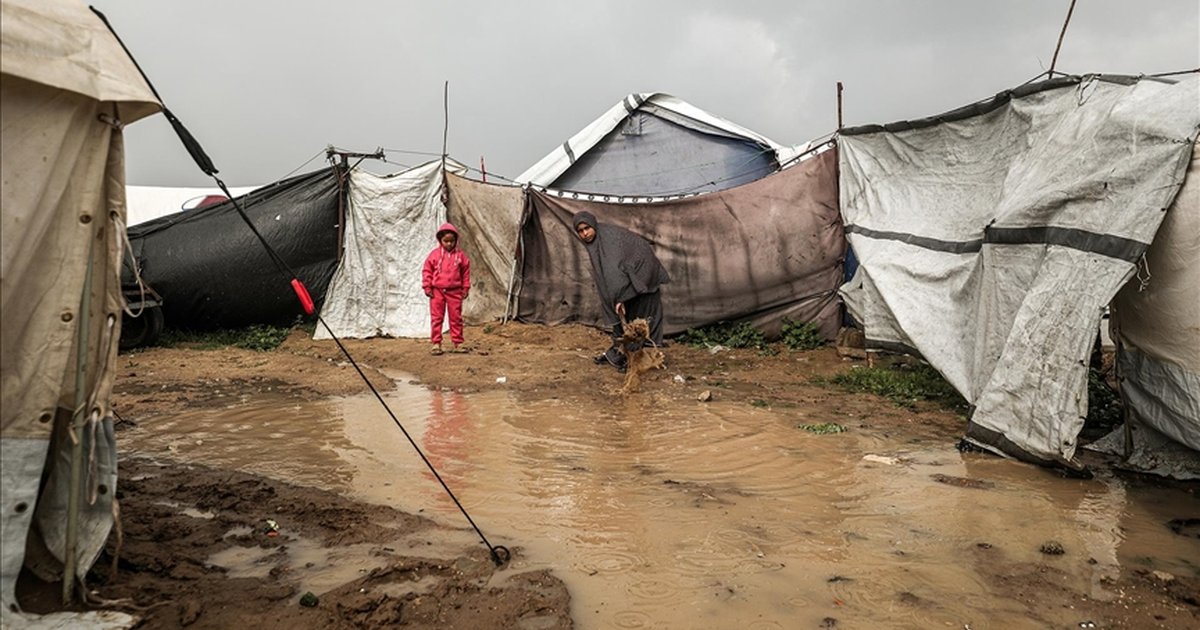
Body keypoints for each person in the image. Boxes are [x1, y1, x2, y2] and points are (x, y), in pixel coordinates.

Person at [572, 211, 670, 369]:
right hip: (632, 279)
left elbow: (615, 273)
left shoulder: (608, 241)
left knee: (641, 321)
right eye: (580, 231)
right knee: (625, 319)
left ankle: (640, 360)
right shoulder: (597, 241)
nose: (585, 234)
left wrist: (621, 298)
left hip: (643, 275)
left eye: (587, 228)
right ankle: (621, 355)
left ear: (593, 225)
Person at [422, 222, 471, 355]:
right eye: (446, 241)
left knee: (456, 318)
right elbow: (427, 271)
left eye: (452, 241)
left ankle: (458, 343)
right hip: (437, 292)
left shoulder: (460, 256)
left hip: (455, 292)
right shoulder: (434, 255)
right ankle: (436, 343)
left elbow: (465, 273)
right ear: (440, 240)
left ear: (456, 240)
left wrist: (465, 288)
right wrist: (427, 286)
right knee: (437, 318)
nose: (449, 244)